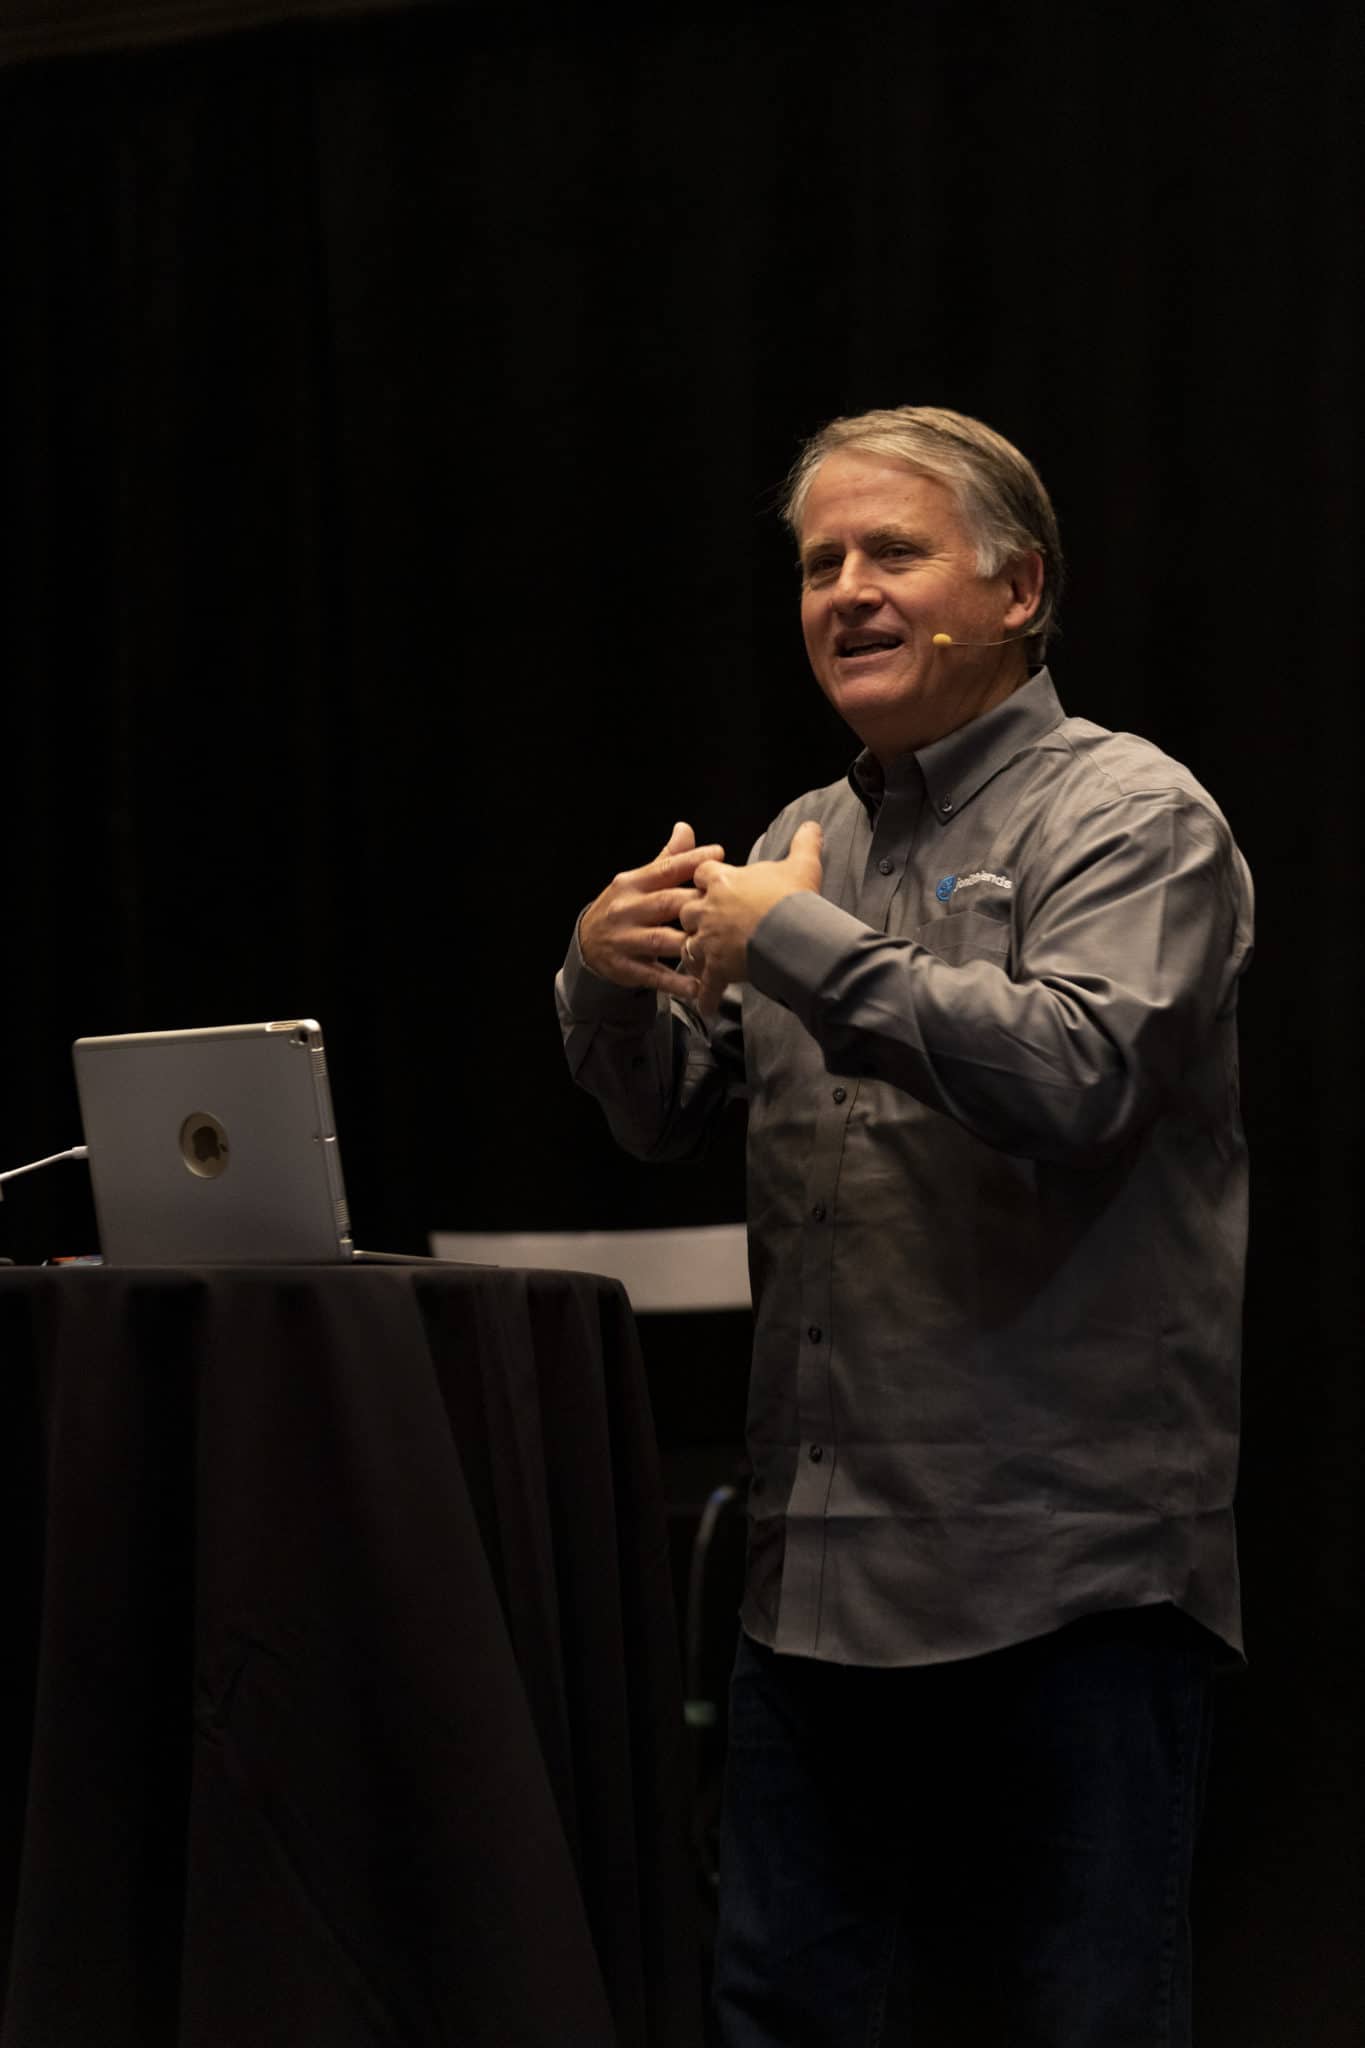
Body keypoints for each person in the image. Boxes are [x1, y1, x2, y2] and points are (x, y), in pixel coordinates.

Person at [555, 406, 1252, 2047]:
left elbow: (1077, 1077)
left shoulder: (1132, 819)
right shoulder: (817, 832)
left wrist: (797, 942)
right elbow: (666, 1112)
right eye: (817, 564)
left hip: (1062, 1580)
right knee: (785, 2015)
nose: (845, 592)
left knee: (1062, 2018)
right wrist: (601, 976)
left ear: (1018, 592)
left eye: (892, 552)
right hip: (817, 1586)